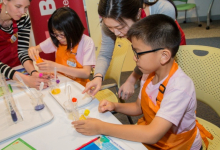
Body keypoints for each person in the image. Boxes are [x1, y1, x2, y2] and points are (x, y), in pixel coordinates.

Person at [73, 14, 213, 150]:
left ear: (164, 56)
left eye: (138, 53)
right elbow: (139, 107)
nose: (135, 58)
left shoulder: (179, 87)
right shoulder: (148, 73)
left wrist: (101, 127)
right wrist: (115, 106)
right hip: (155, 137)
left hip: (177, 145)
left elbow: (152, 134)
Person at [83, 0, 186, 100]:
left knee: (170, 88)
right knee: (150, 95)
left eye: (120, 27)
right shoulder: (111, 19)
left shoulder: (163, 10)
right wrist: (98, 77)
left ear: (138, 14)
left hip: (167, 47)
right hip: (147, 55)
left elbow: (151, 56)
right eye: (110, 28)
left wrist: (132, 79)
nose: (116, 33)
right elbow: (105, 53)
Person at [28, 7, 96, 86]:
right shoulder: (56, 40)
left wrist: (56, 67)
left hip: (80, 86)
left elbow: (86, 73)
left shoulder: (86, 42)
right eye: (55, 34)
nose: (58, 38)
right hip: (61, 84)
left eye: (62, 35)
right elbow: (35, 49)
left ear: (73, 29)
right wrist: (32, 50)